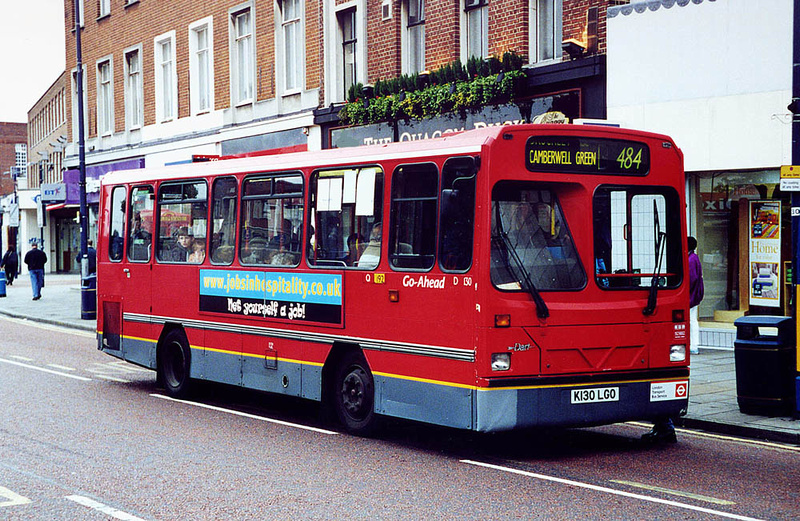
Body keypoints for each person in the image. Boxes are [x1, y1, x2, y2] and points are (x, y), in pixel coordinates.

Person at [688, 236, 704, 355]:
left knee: (691, 319)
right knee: (692, 319)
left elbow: (691, 278)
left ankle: (693, 345)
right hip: (695, 293)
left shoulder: (690, 259)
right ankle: (693, 345)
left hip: (691, 294)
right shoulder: (694, 257)